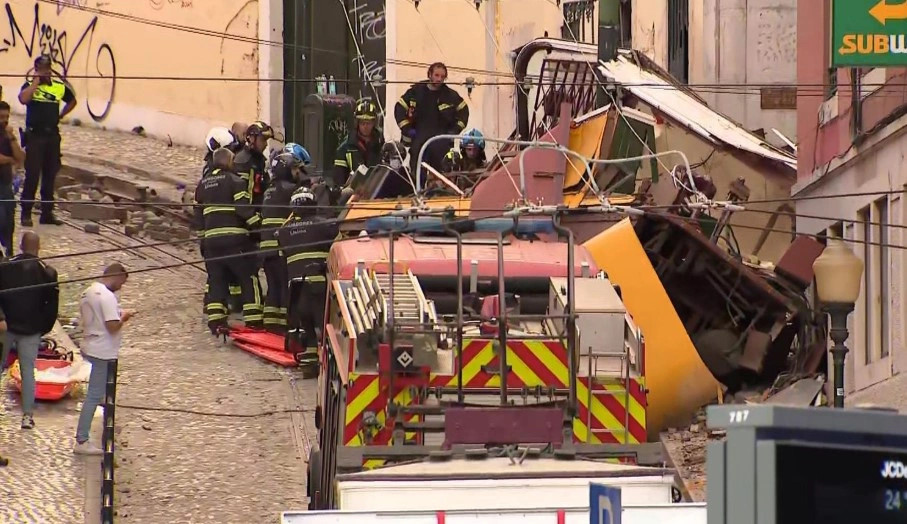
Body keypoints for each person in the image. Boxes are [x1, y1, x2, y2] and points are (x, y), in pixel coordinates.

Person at [196, 147, 264, 332]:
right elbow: (243, 210)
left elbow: (198, 216)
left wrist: (203, 240)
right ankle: (254, 321)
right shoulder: (236, 181)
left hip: (211, 244)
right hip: (235, 241)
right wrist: (259, 226)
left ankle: (216, 321)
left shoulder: (202, 185)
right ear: (228, 161)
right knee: (247, 277)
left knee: (216, 280)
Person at [0, 231, 59, 430]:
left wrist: (1, 318)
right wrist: (43, 328)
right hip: (32, 330)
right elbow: (51, 307)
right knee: (28, 373)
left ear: (21, 246)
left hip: (5, 327)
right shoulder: (48, 273)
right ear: (38, 247)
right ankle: (27, 416)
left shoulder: (5, 267)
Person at [277, 187, 339, 378]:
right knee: (327, 327)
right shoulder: (324, 224)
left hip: (295, 290)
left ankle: (309, 365)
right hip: (318, 287)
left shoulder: (284, 231)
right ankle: (331, 366)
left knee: (307, 328)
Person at [73, 263, 132, 455]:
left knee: (99, 394)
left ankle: (104, 426)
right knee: (94, 395)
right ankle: (82, 440)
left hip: (91, 344)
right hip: (102, 350)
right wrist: (124, 317)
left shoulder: (89, 291)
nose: (121, 286)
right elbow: (112, 326)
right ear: (115, 275)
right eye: (122, 281)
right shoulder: (107, 296)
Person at [17, 55, 77, 227]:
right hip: (35, 136)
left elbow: (72, 100)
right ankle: (26, 213)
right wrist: (36, 82)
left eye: (47, 68)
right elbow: (23, 99)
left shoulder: (58, 86)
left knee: (50, 175)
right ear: (36, 69)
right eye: (41, 69)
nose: (45, 72)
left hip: (52, 136)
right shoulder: (29, 86)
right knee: (32, 175)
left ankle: (47, 213)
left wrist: (62, 114)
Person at [260, 148, 310, 333]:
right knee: (284, 285)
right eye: (295, 169)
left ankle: (270, 322)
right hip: (280, 246)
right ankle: (283, 325)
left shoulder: (269, 189)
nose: (297, 173)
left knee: (273, 285)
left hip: (266, 247)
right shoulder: (290, 189)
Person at [394, 62, 469, 183]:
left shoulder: (450, 95)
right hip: (419, 141)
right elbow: (399, 108)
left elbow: (464, 111)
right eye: (436, 75)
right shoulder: (415, 92)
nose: (439, 79)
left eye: (442, 77)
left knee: (440, 176)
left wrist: (454, 131)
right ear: (429, 74)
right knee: (417, 176)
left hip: (440, 142)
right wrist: (407, 129)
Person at [201, 127, 244, 312]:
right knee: (229, 273)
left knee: (217, 274)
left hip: (210, 235)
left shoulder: (207, 177)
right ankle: (227, 304)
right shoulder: (227, 176)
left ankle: (216, 311)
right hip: (229, 232)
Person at [333, 99, 383, 188]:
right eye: (362, 123)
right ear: (357, 123)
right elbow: (339, 179)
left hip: (376, 192)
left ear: (374, 123)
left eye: (369, 123)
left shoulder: (380, 144)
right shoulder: (346, 147)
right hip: (353, 193)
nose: (365, 126)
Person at [0, 101, 25, 257]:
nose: (4, 120)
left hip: (5, 185)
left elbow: (21, 158)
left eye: (7, 117)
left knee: (8, 222)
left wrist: (11, 138)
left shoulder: (7, 135)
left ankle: (8, 253)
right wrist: (10, 160)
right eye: (1, 117)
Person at [233, 121, 274, 210]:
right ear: (251, 138)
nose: (266, 144)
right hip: (247, 216)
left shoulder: (259, 160)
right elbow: (241, 194)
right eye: (263, 140)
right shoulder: (243, 160)